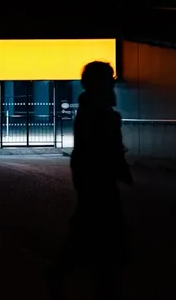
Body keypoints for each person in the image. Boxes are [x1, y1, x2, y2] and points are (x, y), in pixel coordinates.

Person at [47, 61, 133, 300]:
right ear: (100, 84)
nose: (113, 83)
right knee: (98, 230)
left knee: (91, 229)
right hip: (97, 179)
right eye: (109, 79)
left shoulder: (95, 109)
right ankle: (96, 280)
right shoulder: (97, 113)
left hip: (93, 178)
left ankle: (72, 274)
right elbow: (100, 149)